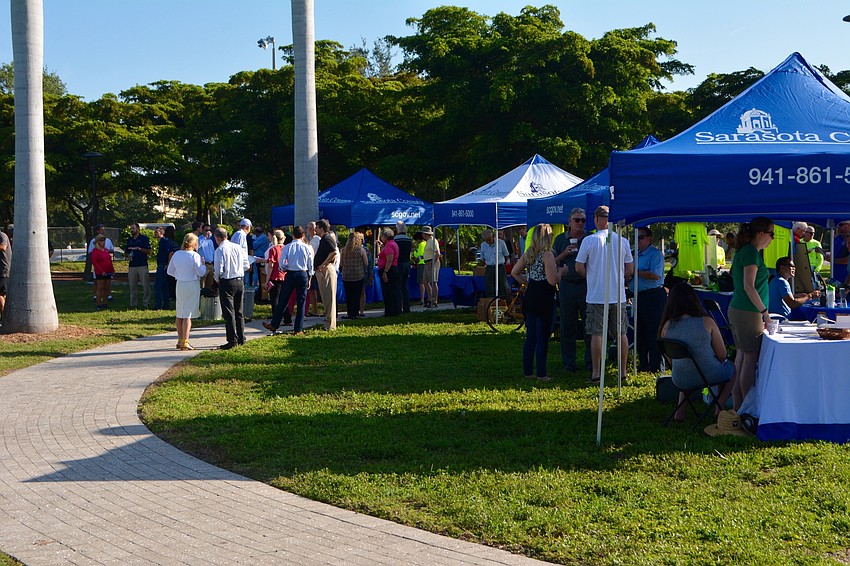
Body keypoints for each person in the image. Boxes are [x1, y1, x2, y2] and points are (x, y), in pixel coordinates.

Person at [575, 206, 634, 385]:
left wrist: (591, 276)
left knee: (597, 334)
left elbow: (578, 266)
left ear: (596, 219)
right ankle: (622, 372)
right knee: (621, 333)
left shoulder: (589, 240)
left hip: (596, 295)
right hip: (618, 295)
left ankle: (596, 373)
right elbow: (630, 269)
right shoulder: (623, 241)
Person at [659, 283, 735, 422]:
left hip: (679, 377)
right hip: (708, 374)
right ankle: (719, 409)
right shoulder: (707, 322)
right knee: (732, 370)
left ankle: (680, 412)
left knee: (687, 366)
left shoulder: (667, 326)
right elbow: (722, 355)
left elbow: (671, 360)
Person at [728, 216, 774, 411]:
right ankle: (748, 407)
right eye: (771, 234)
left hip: (740, 310)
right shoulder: (751, 253)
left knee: (741, 356)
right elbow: (749, 286)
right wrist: (764, 312)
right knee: (749, 358)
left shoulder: (744, 251)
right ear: (761, 233)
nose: (772, 239)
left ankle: (739, 406)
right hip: (748, 312)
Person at [511, 224, 566, 381]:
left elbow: (514, 272)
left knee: (531, 336)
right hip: (544, 297)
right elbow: (552, 280)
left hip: (531, 295)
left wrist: (528, 282)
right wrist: (561, 272)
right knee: (543, 336)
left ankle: (528, 371)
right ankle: (541, 373)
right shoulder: (547, 255)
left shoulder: (528, 254)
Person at [552, 208, 591, 372]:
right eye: (577, 220)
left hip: (586, 285)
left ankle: (591, 363)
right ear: (569, 221)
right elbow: (552, 262)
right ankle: (569, 363)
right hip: (567, 286)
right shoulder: (560, 239)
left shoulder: (590, 238)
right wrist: (563, 254)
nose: (580, 223)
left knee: (590, 326)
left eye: (583, 220)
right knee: (567, 326)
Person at [263, 225, 314, 335]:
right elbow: (310, 264)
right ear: (303, 235)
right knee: (301, 302)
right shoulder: (307, 247)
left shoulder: (288, 247)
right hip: (303, 273)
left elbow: (282, 263)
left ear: (293, 235)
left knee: (283, 299)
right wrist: (309, 277)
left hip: (290, 273)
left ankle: (274, 324)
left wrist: (285, 268)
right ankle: (298, 329)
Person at [629, 227, 666, 373]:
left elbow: (655, 275)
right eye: (636, 238)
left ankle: (656, 366)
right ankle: (643, 364)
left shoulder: (656, 255)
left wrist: (634, 272)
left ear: (649, 239)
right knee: (641, 332)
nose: (637, 241)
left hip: (653, 297)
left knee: (654, 332)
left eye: (641, 237)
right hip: (639, 297)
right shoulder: (635, 254)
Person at [167, 233, 206, 351]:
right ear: (194, 244)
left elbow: (169, 271)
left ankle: (180, 340)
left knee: (180, 313)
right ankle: (185, 341)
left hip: (180, 283)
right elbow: (200, 272)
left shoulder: (177, 254)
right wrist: (204, 266)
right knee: (188, 314)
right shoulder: (195, 255)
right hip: (192, 284)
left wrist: (179, 274)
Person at [213, 226, 251, 350]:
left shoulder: (220, 250)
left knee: (228, 312)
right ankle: (241, 337)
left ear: (217, 238)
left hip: (227, 281)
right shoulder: (238, 247)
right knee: (239, 311)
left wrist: (217, 280)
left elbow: (218, 269)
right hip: (239, 280)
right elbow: (246, 265)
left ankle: (232, 339)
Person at [314, 219, 339, 330]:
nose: (315, 229)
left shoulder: (327, 238)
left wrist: (323, 264)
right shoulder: (323, 239)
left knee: (329, 298)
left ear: (322, 228)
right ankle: (329, 322)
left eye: (317, 227)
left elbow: (333, 252)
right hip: (323, 270)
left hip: (326, 271)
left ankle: (330, 325)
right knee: (326, 297)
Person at [340, 231, 369, 319]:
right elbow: (366, 263)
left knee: (348, 295)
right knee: (356, 294)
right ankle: (355, 313)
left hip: (346, 275)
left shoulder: (343, 250)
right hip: (358, 275)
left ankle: (349, 312)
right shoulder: (361, 250)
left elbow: (341, 263)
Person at [125, 222, 152, 309]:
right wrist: (127, 256)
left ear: (138, 229)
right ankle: (133, 303)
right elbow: (126, 251)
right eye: (131, 229)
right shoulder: (129, 240)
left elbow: (148, 251)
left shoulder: (144, 239)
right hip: (132, 265)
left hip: (142, 265)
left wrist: (139, 249)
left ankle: (146, 302)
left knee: (145, 285)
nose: (132, 230)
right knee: (132, 285)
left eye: (133, 228)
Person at [377, 228, 402, 316]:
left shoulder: (389, 245)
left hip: (389, 270)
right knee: (393, 290)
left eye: (382, 236)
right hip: (393, 268)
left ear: (385, 236)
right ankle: (395, 309)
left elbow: (389, 259)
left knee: (388, 291)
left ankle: (390, 311)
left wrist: (385, 272)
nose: (381, 238)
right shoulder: (393, 244)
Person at [480, 228, 510, 299]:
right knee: (489, 287)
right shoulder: (483, 245)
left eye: (489, 239)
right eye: (486, 240)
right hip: (489, 267)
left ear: (493, 236)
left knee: (502, 285)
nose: (488, 242)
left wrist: (502, 264)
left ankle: (504, 301)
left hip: (500, 267)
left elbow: (506, 255)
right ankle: (491, 302)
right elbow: (482, 258)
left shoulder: (501, 243)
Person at [264, 230, 288, 319]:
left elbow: (271, 265)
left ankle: (276, 318)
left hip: (275, 276)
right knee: (284, 298)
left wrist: (267, 279)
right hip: (285, 275)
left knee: (275, 299)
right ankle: (287, 317)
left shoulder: (273, 249)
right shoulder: (286, 248)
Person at [90, 235, 114, 310]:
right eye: (101, 240)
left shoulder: (106, 250)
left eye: (104, 240)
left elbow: (109, 260)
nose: (103, 242)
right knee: (100, 288)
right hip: (100, 272)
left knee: (107, 287)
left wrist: (112, 270)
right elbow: (94, 262)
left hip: (108, 271)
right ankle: (98, 303)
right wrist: (101, 271)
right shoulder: (95, 251)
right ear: (97, 242)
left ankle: (105, 302)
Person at [394, 221, 413, 313]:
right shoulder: (409, 239)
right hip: (407, 262)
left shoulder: (396, 239)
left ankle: (398, 307)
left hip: (399, 263)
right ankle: (406, 307)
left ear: (397, 229)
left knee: (398, 285)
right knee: (405, 286)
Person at [153, 226, 173, 310]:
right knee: (164, 286)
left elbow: (170, 252)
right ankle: (166, 304)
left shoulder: (164, 241)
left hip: (163, 265)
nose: (155, 233)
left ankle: (158, 304)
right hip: (161, 264)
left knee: (157, 286)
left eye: (156, 232)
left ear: (161, 233)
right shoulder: (161, 242)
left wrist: (168, 264)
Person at [422, 226, 441, 308]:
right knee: (425, 281)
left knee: (433, 281)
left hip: (431, 262)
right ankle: (430, 299)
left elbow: (437, 253)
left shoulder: (433, 241)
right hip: (426, 262)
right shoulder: (428, 241)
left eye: (423, 233)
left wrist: (433, 262)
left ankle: (435, 300)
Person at [231, 218, 253, 286]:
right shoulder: (240, 235)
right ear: (248, 227)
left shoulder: (239, 234)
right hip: (238, 265)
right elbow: (238, 250)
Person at [306, 221, 321, 316]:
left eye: (307, 228)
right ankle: (314, 308)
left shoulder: (315, 240)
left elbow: (312, 253)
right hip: (313, 267)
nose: (306, 230)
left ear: (311, 229)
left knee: (314, 289)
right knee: (312, 289)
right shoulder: (312, 240)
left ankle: (315, 309)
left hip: (314, 267)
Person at [197, 224, 216, 290]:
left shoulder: (210, 241)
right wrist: (204, 238)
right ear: (202, 230)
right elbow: (198, 247)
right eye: (206, 230)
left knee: (210, 285)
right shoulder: (199, 239)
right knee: (202, 284)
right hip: (204, 265)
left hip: (211, 265)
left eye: (209, 230)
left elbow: (213, 252)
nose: (208, 232)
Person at [413, 231, 427, 307]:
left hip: (421, 264)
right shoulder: (426, 243)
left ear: (418, 239)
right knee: (427, 282)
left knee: (421, 283)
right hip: (426, 264)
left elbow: (419, 256)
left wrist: (414, 252)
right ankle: (429, 298)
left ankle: (422, 300)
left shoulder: (421, 245)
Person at [0, 226, 10, 323]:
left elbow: (3, 247)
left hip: (3, 271)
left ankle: (4, 319)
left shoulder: (2, 235)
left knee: (1, 294)